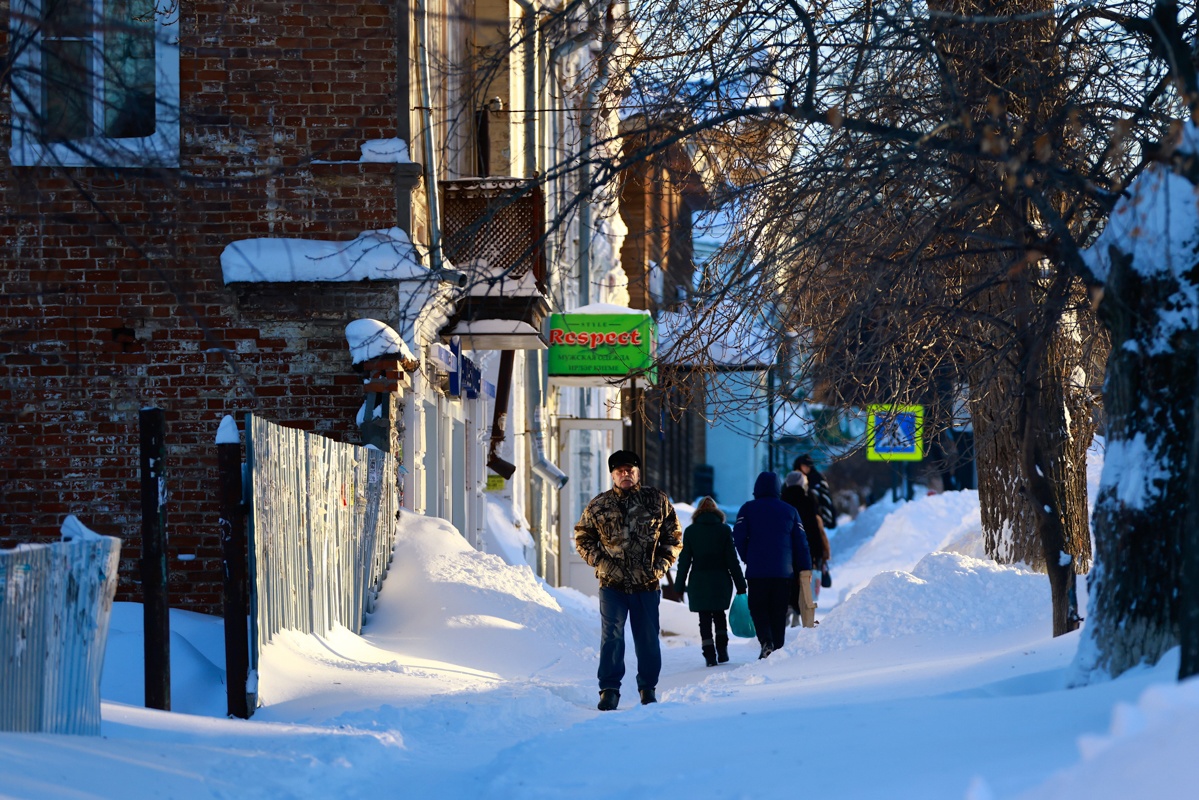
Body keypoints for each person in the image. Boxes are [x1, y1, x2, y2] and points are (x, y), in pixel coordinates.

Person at [574, 450, 682, 711]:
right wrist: (602, 562)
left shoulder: (656, 501)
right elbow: (582, 537)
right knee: (612, 637)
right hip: (612, 585)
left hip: (646, 585)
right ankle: (609, 690)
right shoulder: (599, 505)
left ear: (638, 473)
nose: (626, 474)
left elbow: (674, 537)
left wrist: (659, 567)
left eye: (630, 470)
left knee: (647, 639)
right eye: (620, 470)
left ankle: (648, 688)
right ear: (612, 474)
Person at [733, 472, 812, 659]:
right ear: (778, 488)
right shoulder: (790, 511)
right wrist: (805, 567)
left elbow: (738, 536)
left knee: (758, 608)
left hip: (757, 571)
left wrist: (747, 557)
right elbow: (801, 543)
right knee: (779, 610)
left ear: (756, 488)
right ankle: (778, 649)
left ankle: (766, 641)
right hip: (783, 572)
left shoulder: (747, 509)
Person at [676, 496, 747, 667]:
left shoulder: (691, 531)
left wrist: (679, 584)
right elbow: (732, 560)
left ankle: (709, 654)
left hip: (699, 580)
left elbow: (684, 560)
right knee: (720, 615)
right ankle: (722, 650)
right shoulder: (724, 530)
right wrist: (740, 584)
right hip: (721, 580)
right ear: (717, 512)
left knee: (704, 618)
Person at [781, 470, 831, 612]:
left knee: (788, 576)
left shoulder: (782, 501)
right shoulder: (808, 500)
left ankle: (789, 605)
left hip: (786, 546)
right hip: (806, 545)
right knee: (803, 576)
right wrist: (819, 552)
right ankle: (799, 608)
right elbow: (814, 528)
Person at [793, 453, 836, 531]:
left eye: (808, 466)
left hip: (817, 517)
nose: (806, 468)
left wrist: (827, 518)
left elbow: (825, 497)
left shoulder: (817, 478)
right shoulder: (796, 479)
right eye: (804, 465)